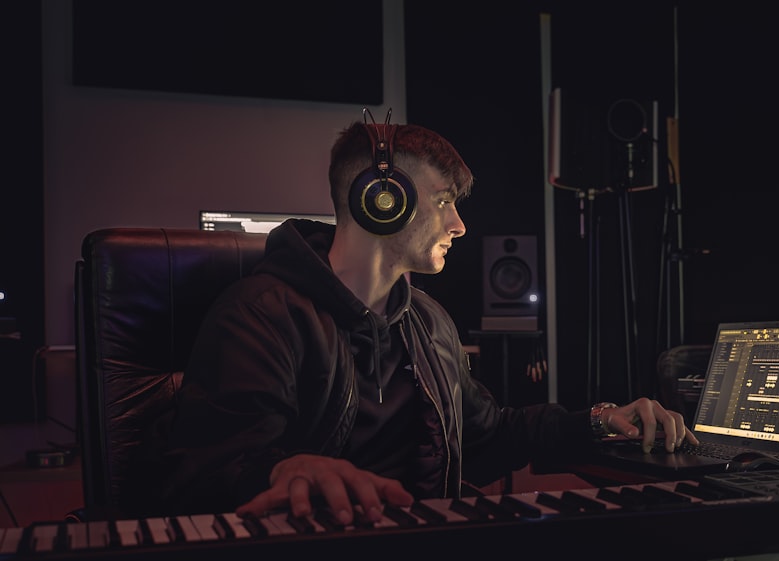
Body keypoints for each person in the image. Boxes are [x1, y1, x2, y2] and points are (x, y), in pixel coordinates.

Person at [134, 110, 698, 524]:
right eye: (444, 200)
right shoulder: (261, 316)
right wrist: (285, 470)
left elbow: (488, 434)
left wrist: (601, 420)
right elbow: (207, 477)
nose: (459, 225)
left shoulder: (427, 322)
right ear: (382, 198)